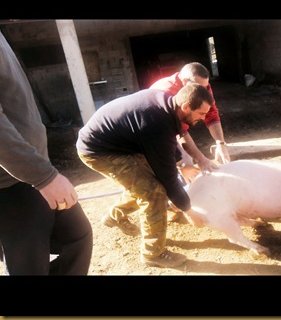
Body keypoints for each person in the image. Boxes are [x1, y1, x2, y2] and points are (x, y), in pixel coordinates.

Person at [76, 82, 214, 268]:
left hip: (121, 143)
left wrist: (182, 163)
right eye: (201, 114)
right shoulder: (157, 124)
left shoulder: (166, 103)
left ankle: (115, 216)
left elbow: (168, 144)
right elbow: (168, 178)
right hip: (98, 151)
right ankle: (153, 253)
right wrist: (188, 210)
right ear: (186, 106)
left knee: (144, 184)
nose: (203, 118)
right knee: (153, 192)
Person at [0, 30, 93, 275]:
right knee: (30, 266)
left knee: (78, 236)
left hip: (32, 172)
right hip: (10, 184)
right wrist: (43, 176)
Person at [150, 62, 230, 174]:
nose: (204, 91)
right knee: (182, 163)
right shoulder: (167, 92)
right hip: (156, 130)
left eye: (205, 87)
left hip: (173, 126)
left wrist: (220, 143)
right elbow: (179, 131)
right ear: (184, 81)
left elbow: (211, 114)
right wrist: (200, 159)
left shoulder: (201, 86)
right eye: (200, 88)